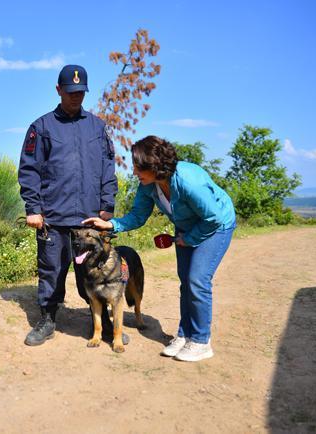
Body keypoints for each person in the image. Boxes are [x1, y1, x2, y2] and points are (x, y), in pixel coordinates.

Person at [83, 136, 236, 362]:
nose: (134, 172)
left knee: (197, 280)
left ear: (154, 166)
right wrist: (110, 224)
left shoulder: (188, 181)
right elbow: (138, 215)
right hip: (187, 229)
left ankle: (201, 341)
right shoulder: (148, 184)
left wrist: (190, 238)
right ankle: (185, 336)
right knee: (186, 282)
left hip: (216, 226)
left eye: (137, 167)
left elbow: (212, 218)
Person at [18, 64, 119, 346]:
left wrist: (107, 206)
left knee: (96, 271)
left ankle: (101, 321)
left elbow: (108, 169)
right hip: (53, 217)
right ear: (59, 90)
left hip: (89, 220)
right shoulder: (42, 127)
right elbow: (29, 170)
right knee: (51, 271)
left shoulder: (97, 127)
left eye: (81, 92)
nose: (76, 97)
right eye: (71, 92)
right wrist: (33, 208)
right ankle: (48, 319)